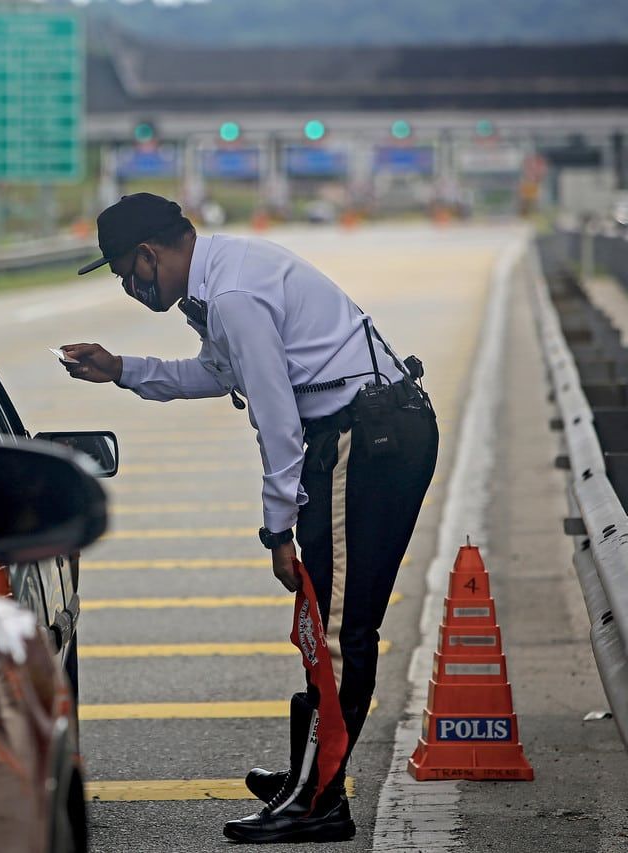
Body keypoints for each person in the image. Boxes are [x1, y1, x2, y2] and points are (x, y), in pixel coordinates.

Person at [63, 193, 437, 844]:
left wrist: (279, 529)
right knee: (325, 620)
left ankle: (317, 801)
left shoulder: (232, 294)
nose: (129, 288)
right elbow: (216, 372)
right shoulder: (221, 278)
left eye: (126, 273)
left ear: (150, 254)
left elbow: (276, 416)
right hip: (363, 434)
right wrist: (123, 370)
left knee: (340, 627)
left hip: (369, 439)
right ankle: (310, 778)